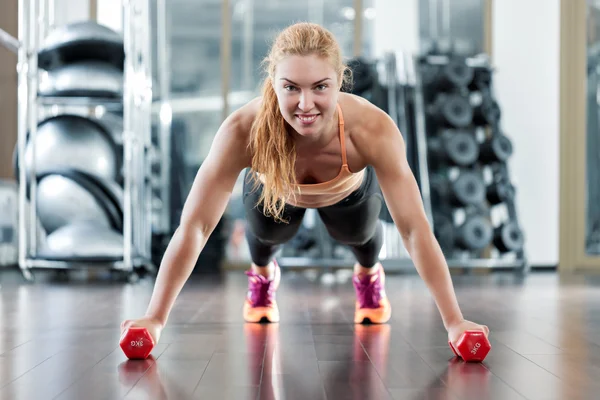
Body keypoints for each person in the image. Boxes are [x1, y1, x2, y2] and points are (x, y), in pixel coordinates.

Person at [120, 22, 489, 348]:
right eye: (291, 88)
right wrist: (155, 317)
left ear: (340, 80)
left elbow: (413, 228)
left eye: (320, 87)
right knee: (265, 233)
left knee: (360, 235)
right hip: (276, 191)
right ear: (274, 84)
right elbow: (196, 227)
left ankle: (368, 274)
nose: (305, 103)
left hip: (347, 194)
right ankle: (263, 276)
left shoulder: (371, 129)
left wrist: (454, 321)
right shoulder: (241, 131)